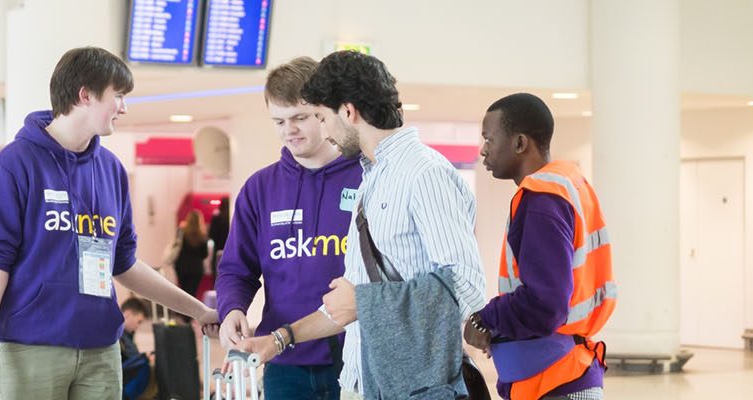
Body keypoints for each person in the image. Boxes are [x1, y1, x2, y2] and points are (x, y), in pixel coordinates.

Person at [0, 47, 218, 400]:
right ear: (85, 94)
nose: (124, 107)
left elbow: (123, 264)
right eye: (118, 96)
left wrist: (198, 310)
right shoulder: (13, 166)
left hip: (101, 351)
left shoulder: (111, 170)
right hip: (30, 349)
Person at [236, 51, 488, 399]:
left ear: (348, 112)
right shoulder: (372, 177)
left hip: (416, 385)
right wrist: (280, 339)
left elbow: (467, 286)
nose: (322, 131)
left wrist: (367, 303)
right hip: (365, 380)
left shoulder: (424, 174)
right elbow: (349, 304)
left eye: (321, 118)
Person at [216, 56, 363, 400]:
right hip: (283, 359)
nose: (288, 130)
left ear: (327, 112)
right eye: (279, 121)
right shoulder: (260, 188)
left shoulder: (367, 177)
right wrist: (232, 310)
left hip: (355, 355)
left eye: (299, 118)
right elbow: (237, 270)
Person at [467, 93, 615, 400]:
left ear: (520, 143)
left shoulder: (541, 201)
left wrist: (485, 318)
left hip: (555, 383)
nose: (483, 150)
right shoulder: (569, 183)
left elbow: (545, 305)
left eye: (489, 139)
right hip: (567, 372)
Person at [119, 297, 153, 400]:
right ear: (127, 314)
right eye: (139, 322)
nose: (138, 327)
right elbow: (135, 360)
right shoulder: (119, 336)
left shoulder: (127, 335)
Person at [174, 211, 207, 299]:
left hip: (181, 266)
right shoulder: (202, 236)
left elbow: (176, 245)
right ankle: (191, 312)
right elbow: (205, 254)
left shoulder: (181, 231)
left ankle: (182, 311)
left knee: (183, 292)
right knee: (192, 293)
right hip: (196, 268)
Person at [207, 196, 230, 276]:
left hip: (217, 250)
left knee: (217, 275)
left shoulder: (216, 218)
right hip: (230, 252)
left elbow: (211, 235)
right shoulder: (232, 219)